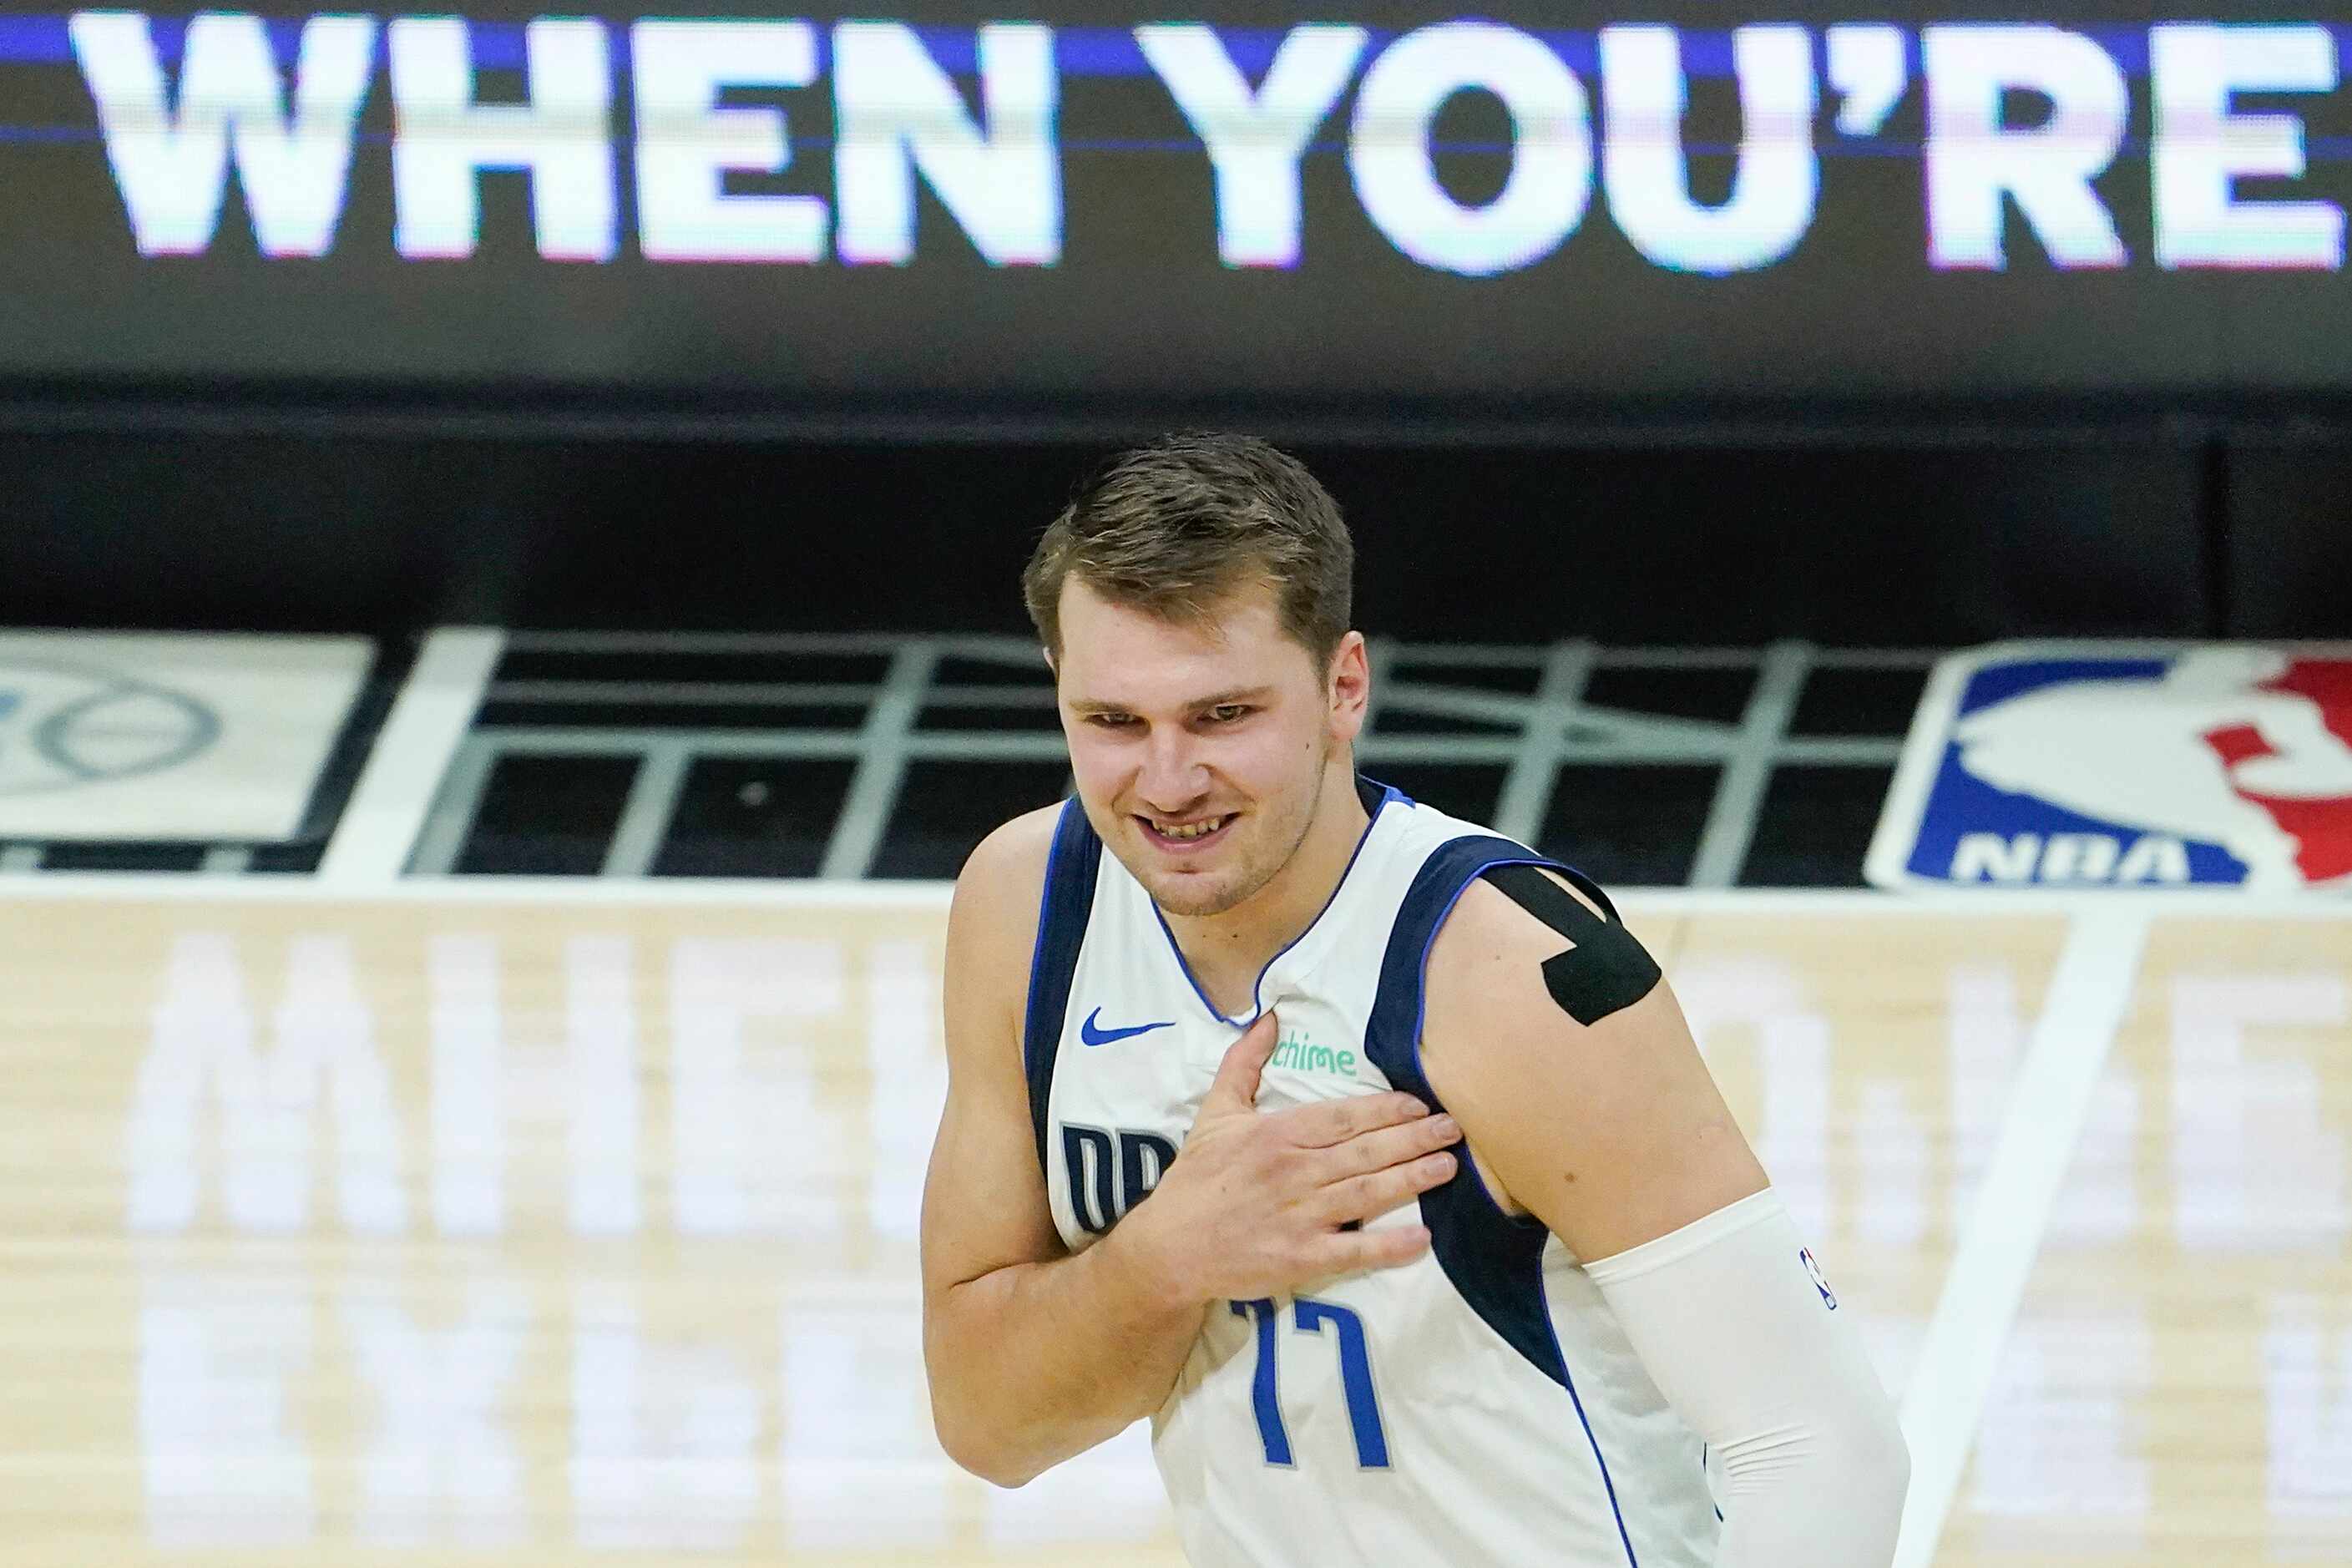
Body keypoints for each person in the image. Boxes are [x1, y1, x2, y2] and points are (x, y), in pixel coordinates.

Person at [919, 432, 1909, 1565]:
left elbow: (1818, 1442)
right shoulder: (1025, 905)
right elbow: (987, 1422)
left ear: (1343, 687)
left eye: (1221, 716)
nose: (1167, 779)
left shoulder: (1507, 972)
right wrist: (1168, 1255)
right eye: (1112, 723)